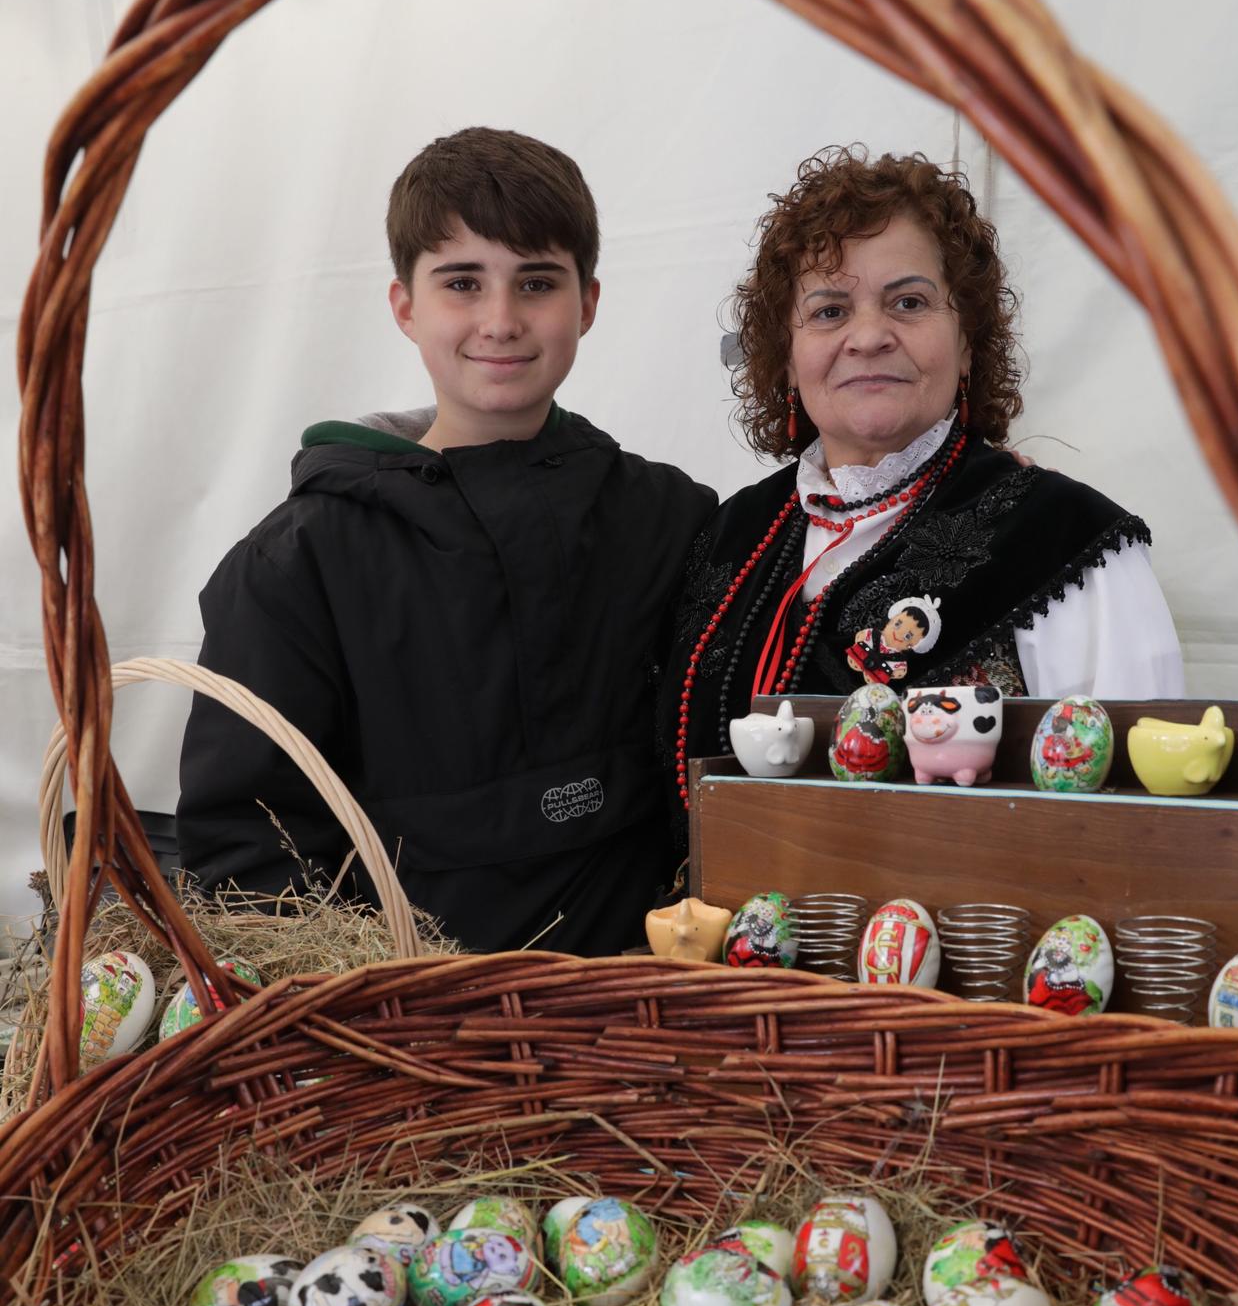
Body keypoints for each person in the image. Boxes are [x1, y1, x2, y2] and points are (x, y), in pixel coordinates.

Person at [176, 128, 716, 956]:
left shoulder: (671, 519)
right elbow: (250, 848)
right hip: (412, 1038)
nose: (499, 320)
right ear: (405, 306)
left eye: (536, 282)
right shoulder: (297, 563)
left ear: (588, 302)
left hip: (642, 1017)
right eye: (462, 282)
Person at [663, 147, 1183, 806]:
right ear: (786, 358)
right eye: (828, 311)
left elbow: (1142, 818)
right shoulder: (729, 535)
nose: (869, 335)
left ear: (967, 342)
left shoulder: (1067, 542)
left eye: (908, 302)